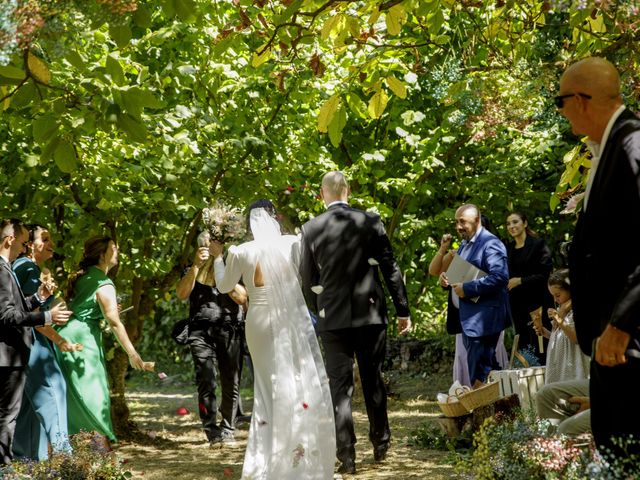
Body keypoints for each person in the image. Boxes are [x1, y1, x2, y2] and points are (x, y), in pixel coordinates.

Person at [213, 199, 335, 479]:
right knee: (296, 380)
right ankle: (298, 455)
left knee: (266, 388)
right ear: (275, 218)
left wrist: (218, 257)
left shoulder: (240, 251)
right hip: (289, 318)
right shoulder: (292, 242)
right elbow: (305, 276)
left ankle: (266, 459)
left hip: (258, 321)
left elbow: (224, 285)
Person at [299, 171, 411, 475]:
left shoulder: (310, 228)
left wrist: (320, 308)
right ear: (347, 190)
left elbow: (307, 279)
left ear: (323, 194)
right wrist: (403, 309)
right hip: (370, 314)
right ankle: (381, 443)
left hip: (332, 318)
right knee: (373, 378)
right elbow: (390, 268)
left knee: (340, 388)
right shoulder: (370, 222)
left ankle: (346, 455)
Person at [558, 57, 640, 459]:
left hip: (626, 341)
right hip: (609, 342)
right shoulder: (607, 149)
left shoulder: (632, 145)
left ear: (580, 100)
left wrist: (622, 324)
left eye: (560, 101)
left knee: (624, 453)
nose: (559, 111)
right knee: (611, 451)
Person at [54, 236, 153, 448]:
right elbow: (114, 322)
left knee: (74, 399)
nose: (117, 252)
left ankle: (78, 456)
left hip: (65, 336)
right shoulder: (103, 282)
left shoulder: (85, 276)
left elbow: (88, 309)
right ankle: (99, 458)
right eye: (114, 249)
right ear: (102, 255)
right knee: (94, 397)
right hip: (81, 342)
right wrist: (132, 353)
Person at [0, 219, 71, 465]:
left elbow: (18, 306)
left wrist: (39, 297)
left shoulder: (12, 266)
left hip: (17, 351)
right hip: (20, 350)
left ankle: (22, 462)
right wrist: (52, 323)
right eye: (21, 242)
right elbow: (10, 316)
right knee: (49, 394)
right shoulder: (18, 268)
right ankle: (64, 460)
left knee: (20, 412)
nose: (23, 247)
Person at [175, 230, 246, 445]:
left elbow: (242, 297)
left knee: (231, 380)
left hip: (228, 328)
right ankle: (210, 429)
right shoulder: (191, 268)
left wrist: (219, 263)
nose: (208, 249)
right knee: (206, 378)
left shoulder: (233, 267)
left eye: (212, 246)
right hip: (199, 330)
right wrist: (196, 266)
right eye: (205, 246)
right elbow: (181, 294)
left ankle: (228, 429)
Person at [438, 204, 511, 385]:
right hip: (469, 320)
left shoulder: (491, 243)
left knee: (481, 374)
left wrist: (468, 289)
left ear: (477, 220)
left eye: (462, 222)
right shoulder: (464, 245)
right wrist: (446, 280)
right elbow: (461, 274)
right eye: (456, 222)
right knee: (485, 372)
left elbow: (500, 277)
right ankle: (497, 411)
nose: (458, 227)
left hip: (484, 320)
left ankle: (485, 412)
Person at [505, 211, 554, 363]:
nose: (511, 226)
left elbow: (546, 274)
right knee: (525, 345)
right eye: (508, 223)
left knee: (543, 344)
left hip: (539, 303)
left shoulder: (538, 244)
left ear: (524, 223)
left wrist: (521, 281)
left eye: (515, 222)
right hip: (518, 306)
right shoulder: (509, 249)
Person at [532, 269, 589, 384]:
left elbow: (575, 338)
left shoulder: (576, 312)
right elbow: (559, 336)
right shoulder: (561, 310)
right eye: (553, 296)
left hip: (571, 366)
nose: (555, 299)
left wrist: (558, 319)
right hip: (559, 366)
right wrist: (545, 332)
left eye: (557, 295)